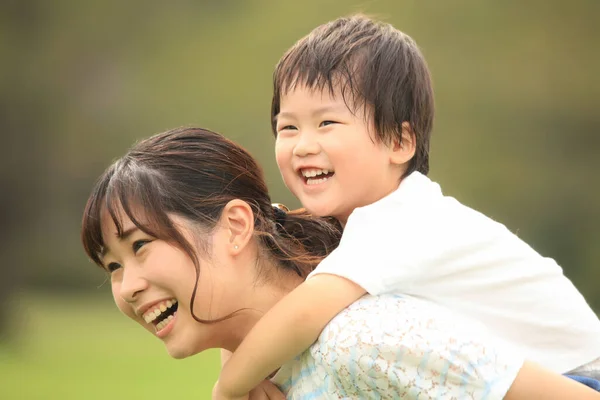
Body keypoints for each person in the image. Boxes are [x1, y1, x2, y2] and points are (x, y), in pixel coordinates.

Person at [214, 14, 600, 398]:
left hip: (575, 379)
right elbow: (259, 295)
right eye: (289, 127)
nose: (303, 145)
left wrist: (229, 389)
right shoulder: (356, 225)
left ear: (399, 143)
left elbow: (302, 314)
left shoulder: (403, 218)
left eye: (327, 122)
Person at [81, 127, 598, 399]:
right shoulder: (276, 369)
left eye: (141, 246)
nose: (127, 286)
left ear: (237, 227)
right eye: (113, 266)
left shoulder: (359, 341)